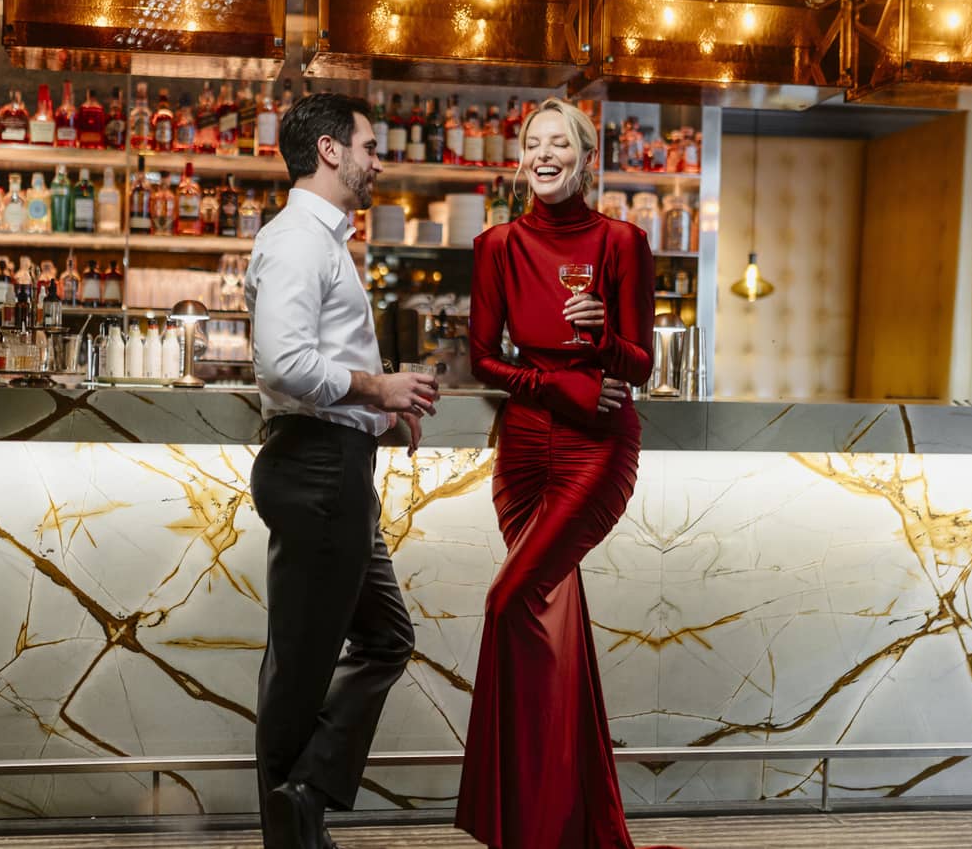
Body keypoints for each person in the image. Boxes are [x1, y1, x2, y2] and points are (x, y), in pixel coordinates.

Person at [456, 98, 678, 849]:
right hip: (523, 449)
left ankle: (521, 825)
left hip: (597, 448)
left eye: (560, 144)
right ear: (521, 157)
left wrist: (603, 337)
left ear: (588, 159)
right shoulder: (495, 245)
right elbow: (483, 357)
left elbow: (641, 364)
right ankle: (564, 823)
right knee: (552, 629)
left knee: (509, 601)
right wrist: (556, 384)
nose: (543, 154)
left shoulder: (623, 241)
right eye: (531, 143)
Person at [244, 92, 439, 849]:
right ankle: (293, 830)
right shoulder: (299, 239)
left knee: (386, 636)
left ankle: (305, 795)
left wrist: (380, 416)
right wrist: (379, 388)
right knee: (296, 674)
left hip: (335, 465)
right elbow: (284, 362)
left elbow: (315, 364)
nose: (377, 159)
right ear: (330, 150)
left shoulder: (324, 241)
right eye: (368, 145)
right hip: (315, 471)